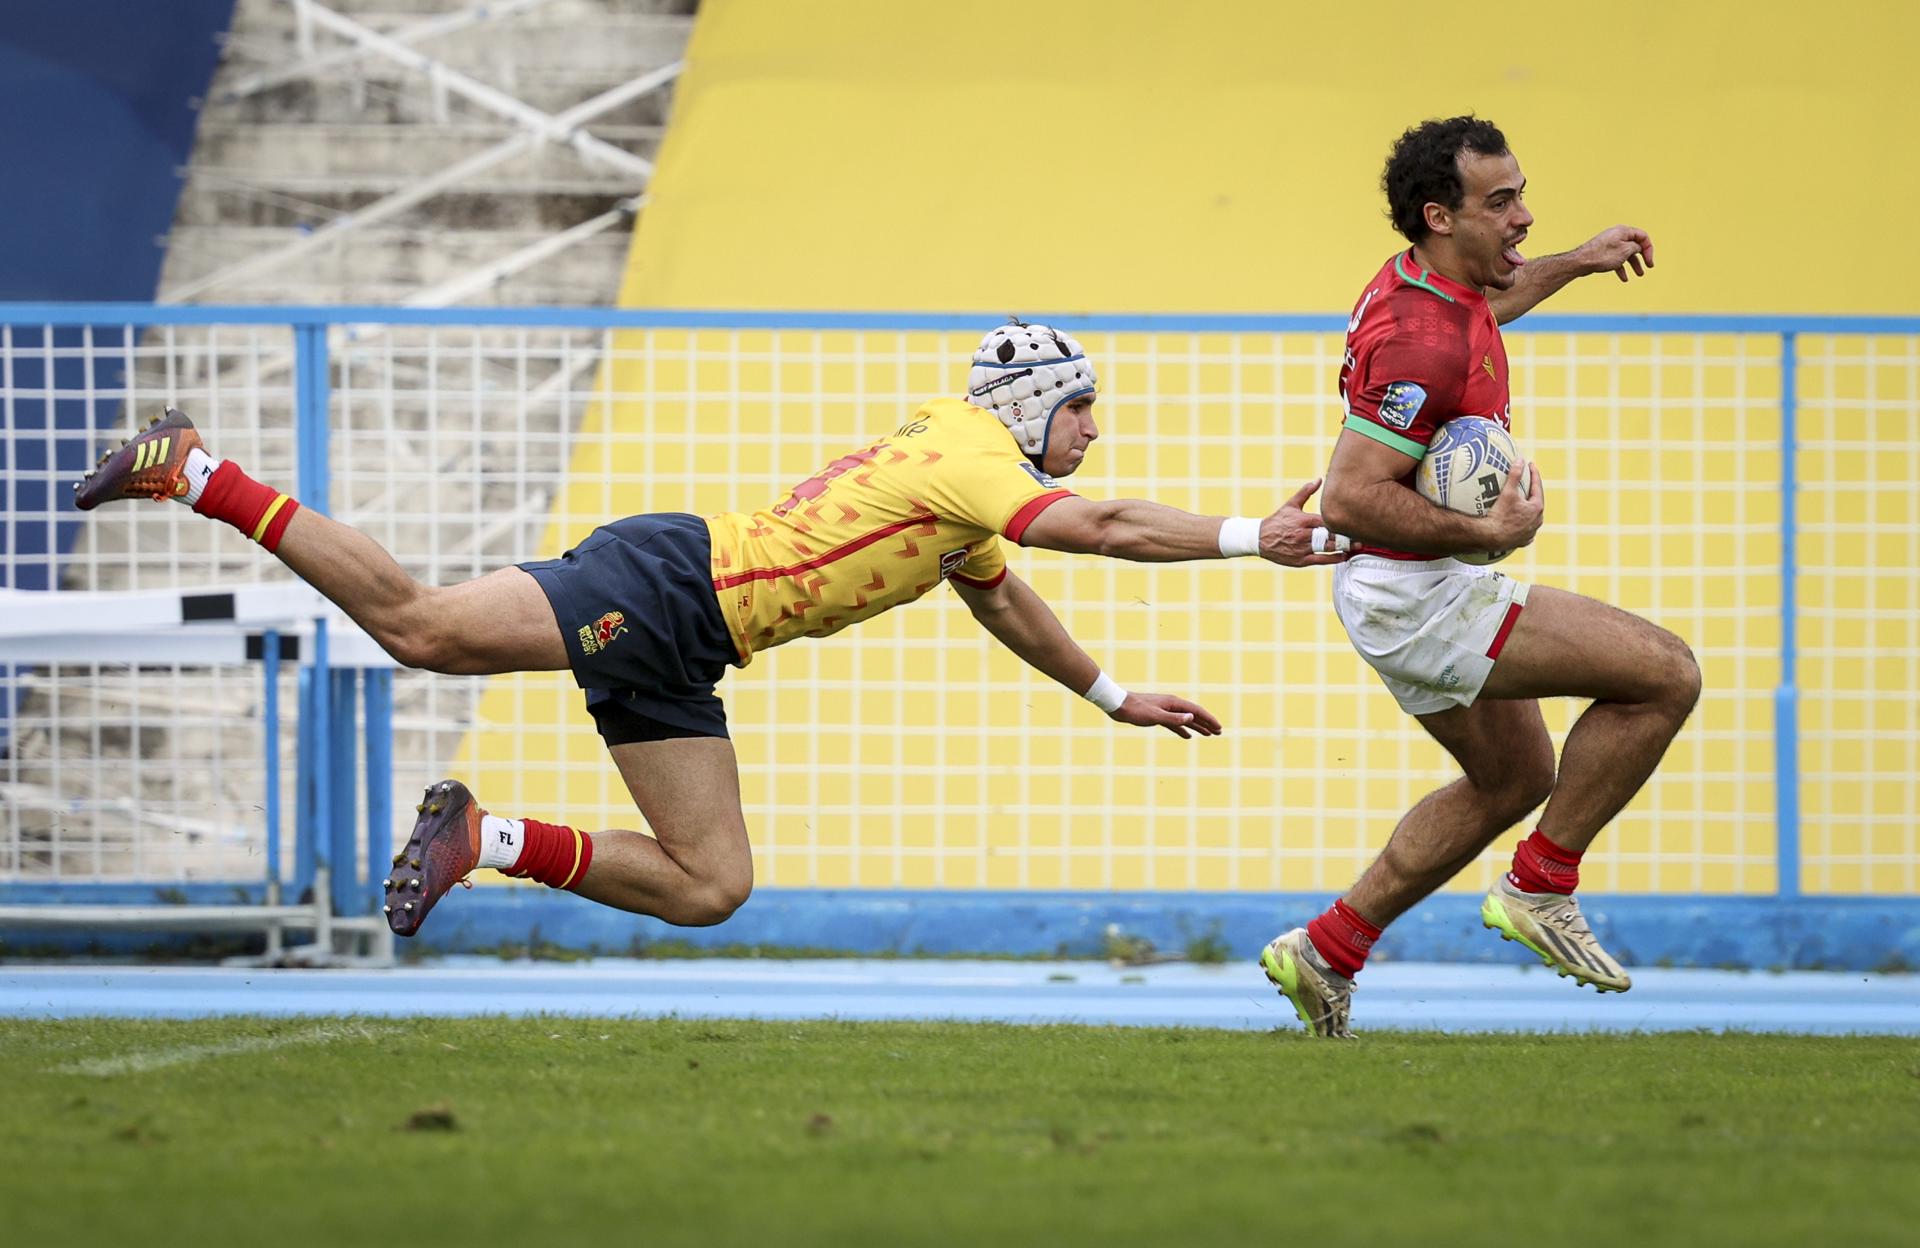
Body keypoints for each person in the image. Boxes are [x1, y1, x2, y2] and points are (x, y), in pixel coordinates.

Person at [77, 319, 1345, 938]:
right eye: (1080, 410)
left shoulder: (967, 488)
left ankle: (488, 831)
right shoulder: (972, 450)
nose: (1091, 431)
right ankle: (198, 471)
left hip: (689, 634)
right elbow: (1103, 526)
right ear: (1024, 405)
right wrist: (1250, 536)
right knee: (421, 627)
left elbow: (1002, 588)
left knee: (710, 885)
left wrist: (1115, 695)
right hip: (677, 582)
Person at [1259, 116, 1701, 1037]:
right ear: (1438, 215)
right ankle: (1543, 887)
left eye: (1520, 195)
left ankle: (1327, 949)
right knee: (1664, 675)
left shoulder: (1435, 282)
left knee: (1513, 778)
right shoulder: (1423, 338)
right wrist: (1482, 530)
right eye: (1500, 203)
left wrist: (1576, 261)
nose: (1523, 217)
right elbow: (1347, 496)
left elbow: (1489, 305)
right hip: (1420, 598)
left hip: (1402, 589)